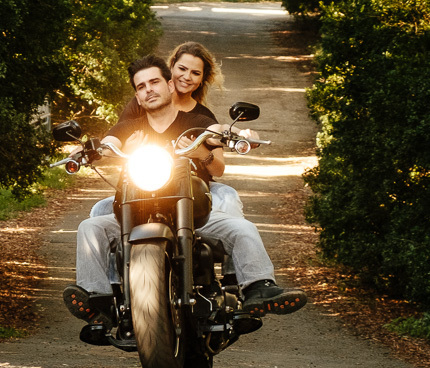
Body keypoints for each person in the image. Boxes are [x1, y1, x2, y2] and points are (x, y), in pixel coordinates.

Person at [64, 50, 306, 322]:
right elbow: (109, 144)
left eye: (154, 82)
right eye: (141, 87)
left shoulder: (195, 123)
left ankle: (259, 288)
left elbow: (217, 131)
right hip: (137, 205)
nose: (148, 90)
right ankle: (100, 303)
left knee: (242, 227)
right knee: (90, 226)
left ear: (169, 85)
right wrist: (85, 150)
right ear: (137, 96)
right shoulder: (129, 128)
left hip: (190, 208)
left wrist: (239, 135)